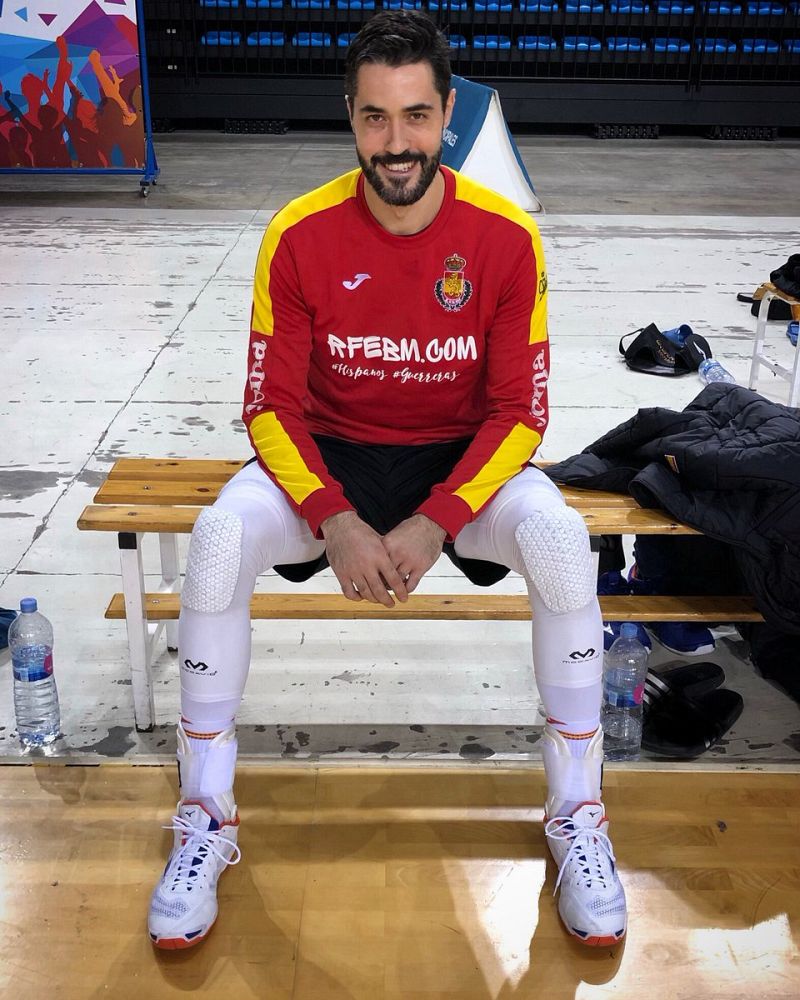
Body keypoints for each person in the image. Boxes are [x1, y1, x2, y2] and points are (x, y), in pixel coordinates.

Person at [147, 10, 627, 951]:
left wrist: (435, 520)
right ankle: (205, 813)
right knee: (218, 542)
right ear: (351, 117)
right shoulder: (298, 233)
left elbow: (521, 413)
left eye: (415, 116)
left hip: (457, 461)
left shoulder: (505, 237)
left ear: (447, 115)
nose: (395, 142)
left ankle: (578, 812)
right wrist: (333, 517)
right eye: (375, 117)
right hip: (334, 455)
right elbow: (269, 406)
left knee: (562, 542)